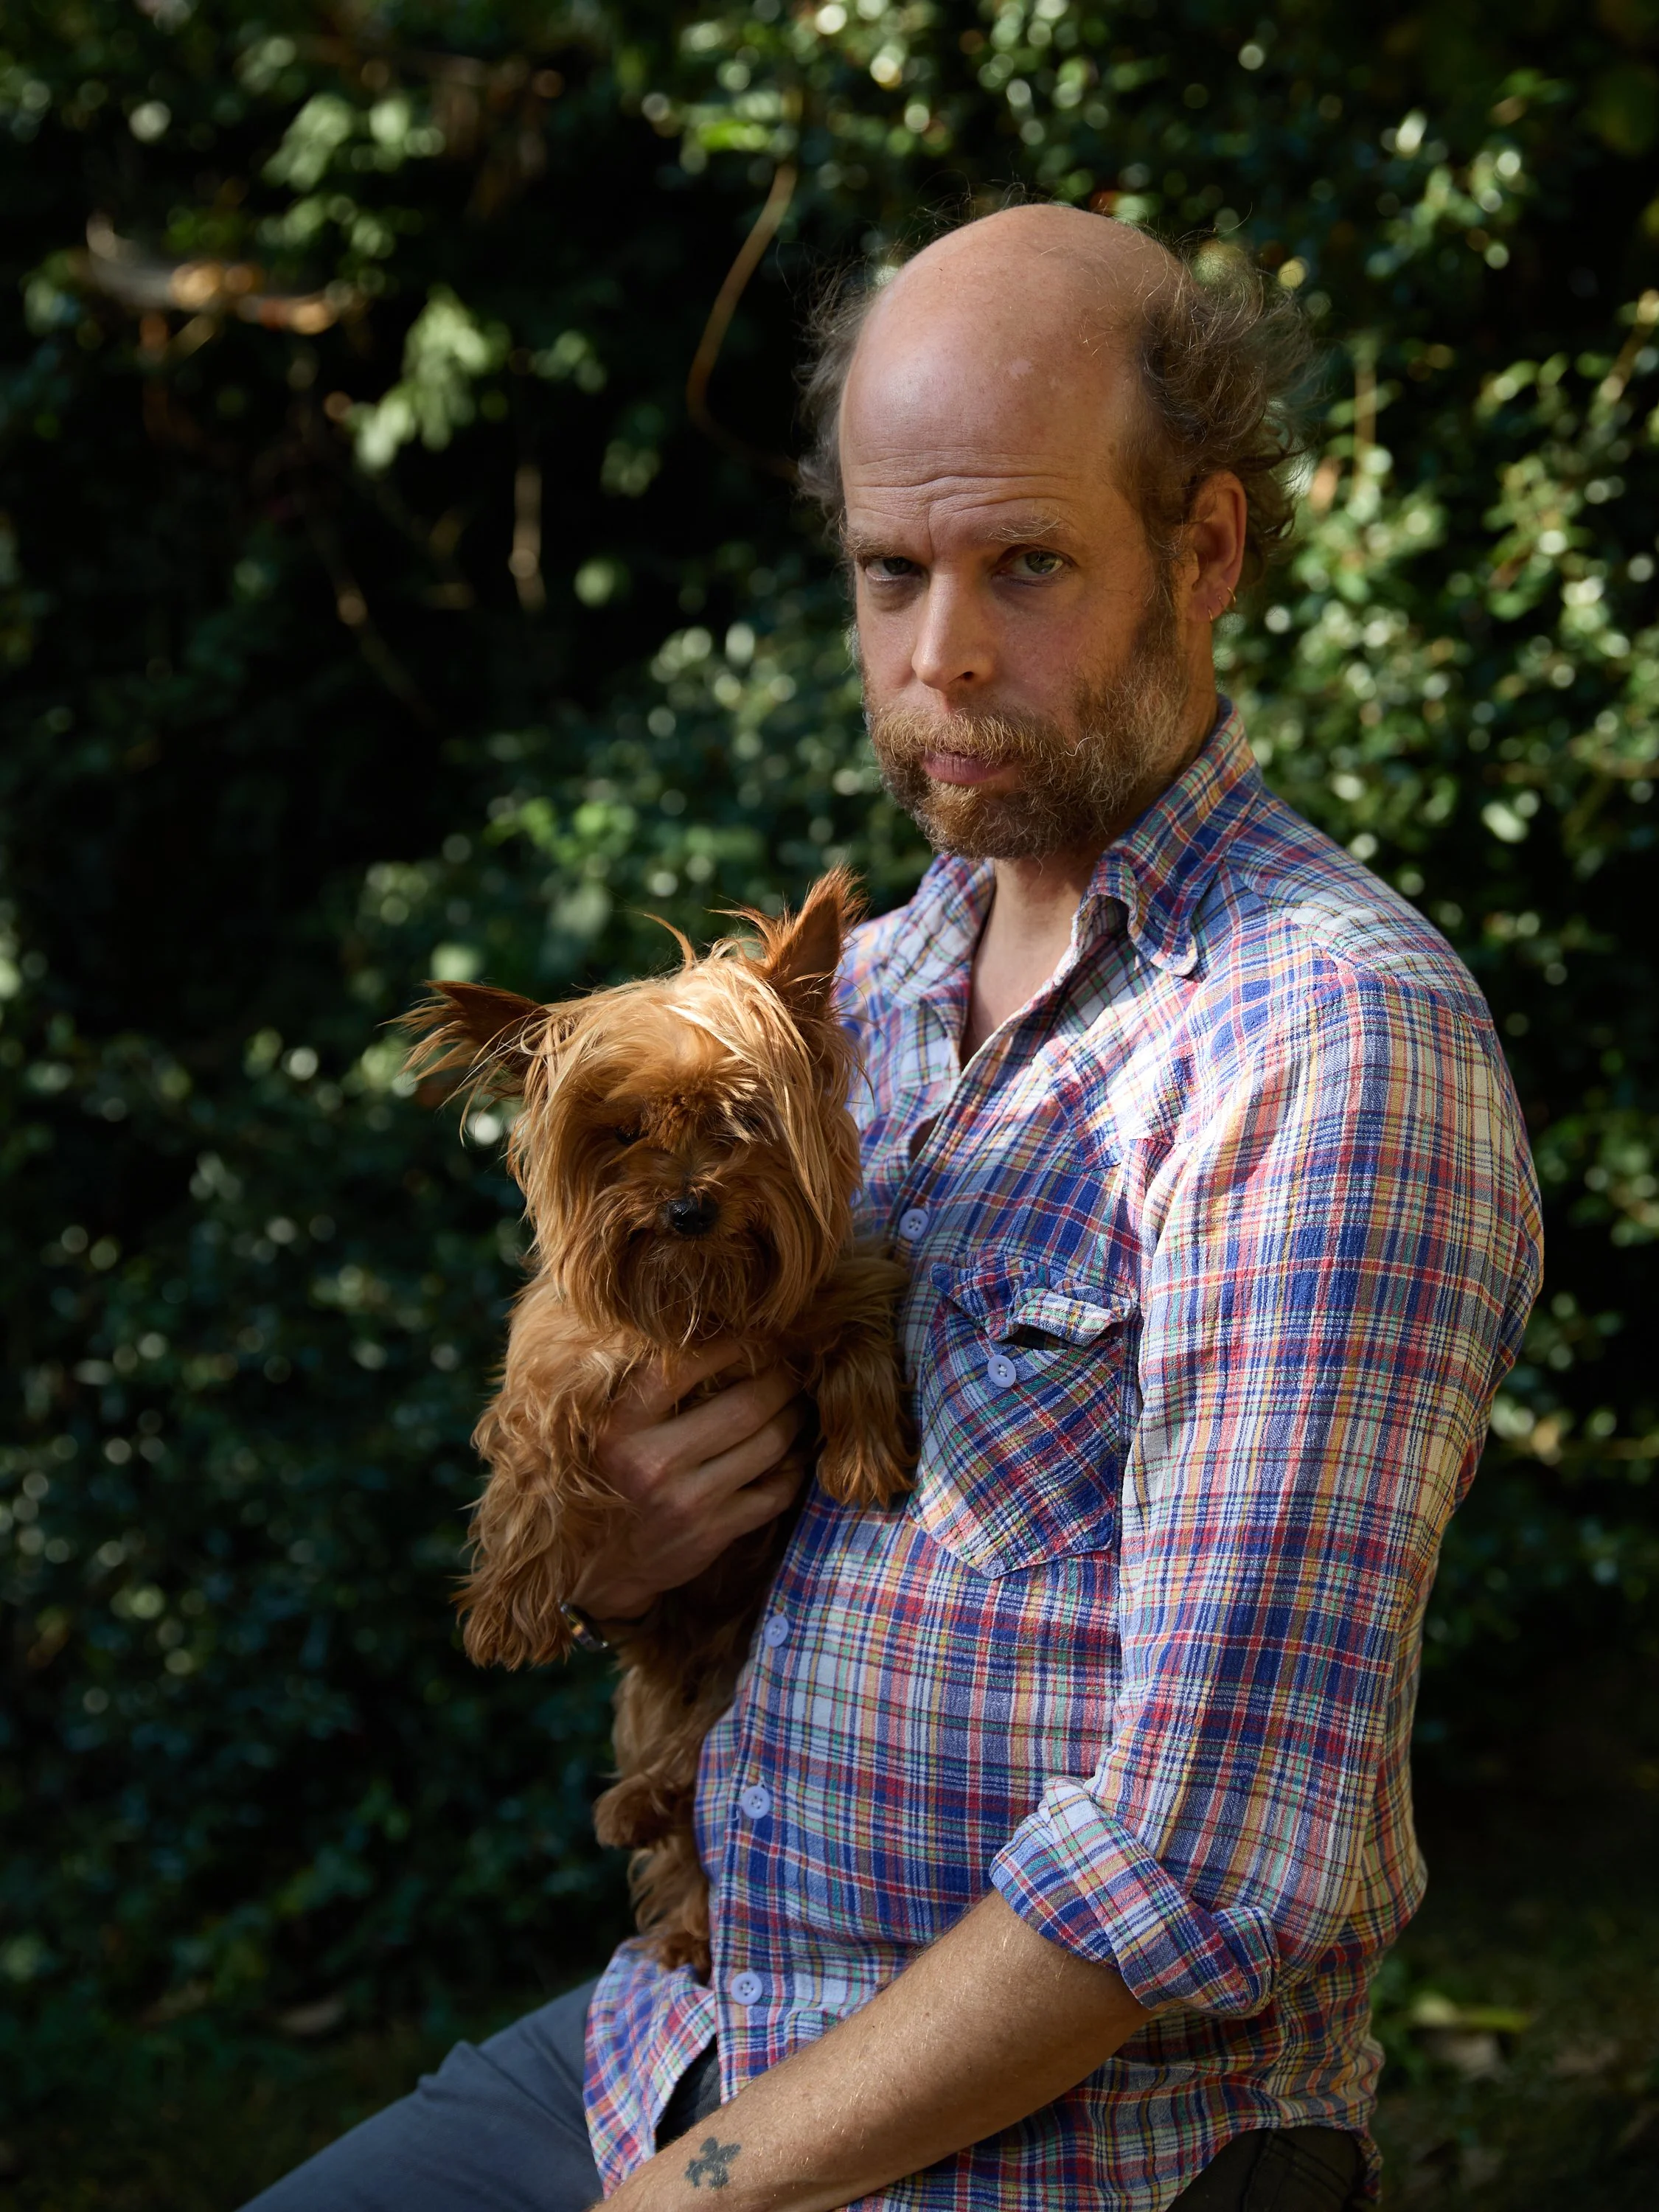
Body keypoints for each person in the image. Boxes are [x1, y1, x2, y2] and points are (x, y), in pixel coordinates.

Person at [246, 205, 1540, 2212]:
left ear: (1205, 552)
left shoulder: (1326, 1048)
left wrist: (693, 2198)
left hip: (1061, 2154)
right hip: (677, 2032)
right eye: (887, 571)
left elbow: (1202, 1859)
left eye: (1024, 563)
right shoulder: (861, 1006)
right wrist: (618, 1547)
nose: (937, 656)